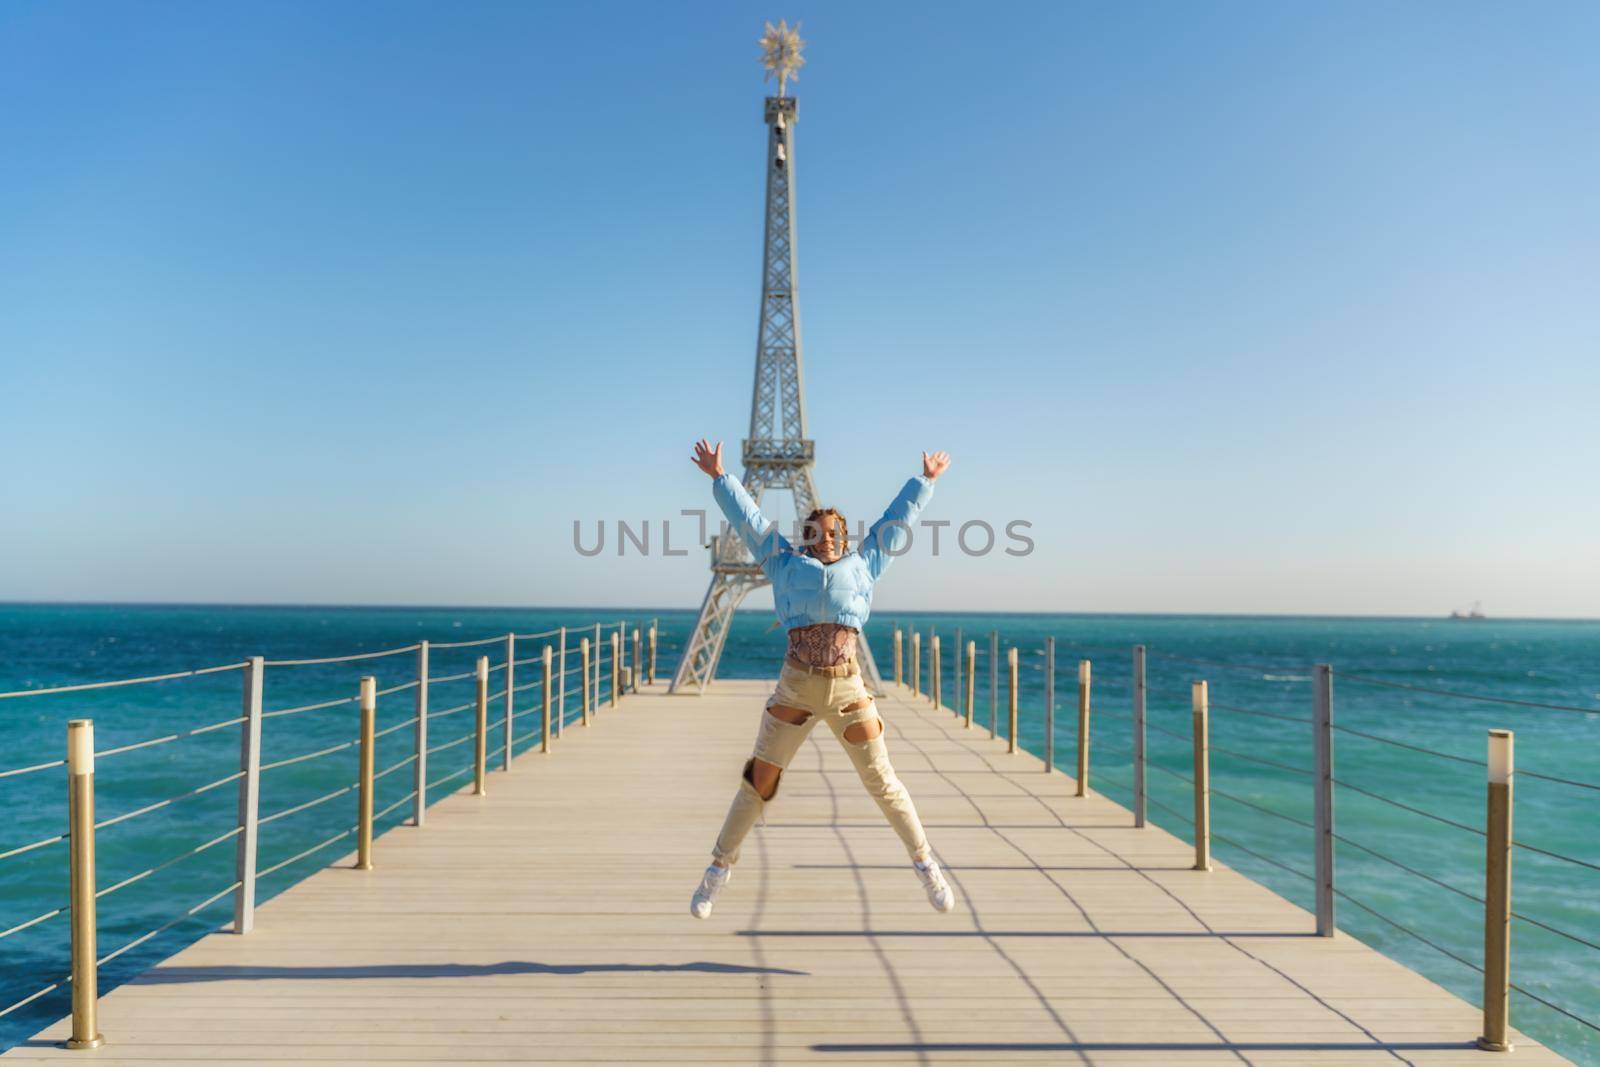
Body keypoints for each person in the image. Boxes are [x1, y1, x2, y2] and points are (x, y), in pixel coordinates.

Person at [685, 438, 956, 919]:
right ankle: (717, 870)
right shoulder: (784, 563)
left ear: (845, 539)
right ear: (805, 538)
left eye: (834, 533)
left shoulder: (866, 565)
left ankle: (925, 862)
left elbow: (896, 523)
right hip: (796, 686)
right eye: (817, 533)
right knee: (759, 782)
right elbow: (750, 521)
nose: (826, 538)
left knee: (883, 782)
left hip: (849, 688)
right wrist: (720, 477)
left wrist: (925, 482)